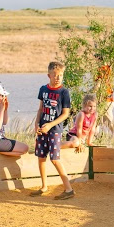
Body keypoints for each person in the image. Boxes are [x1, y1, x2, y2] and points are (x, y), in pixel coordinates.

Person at [31, 61, 75, 199]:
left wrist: (50, 125)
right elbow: (40, 109)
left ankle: (68, 190)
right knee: (41, 157)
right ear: (48, 75)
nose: (57, 78)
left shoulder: (64, 92)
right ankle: (44, 187)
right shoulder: (43, 89)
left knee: (55, 159)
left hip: (54, 129)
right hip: (42, 129)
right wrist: (37, 124)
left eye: (60, 75)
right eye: (55, 75)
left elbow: (65, 114)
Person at [93, 60, 114, 141]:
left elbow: (97, 85)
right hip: (108, 99)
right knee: (96, 120)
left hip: (104, 100)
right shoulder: (109, 69)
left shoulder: (100, 70)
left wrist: (90, 91)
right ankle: (95, 138)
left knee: (109, 122)